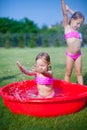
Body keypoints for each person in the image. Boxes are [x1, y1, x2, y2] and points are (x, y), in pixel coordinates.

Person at [61, 0, 84, 84]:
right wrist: (63, 3)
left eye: (80, 24)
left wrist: (69, 9)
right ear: (72, 19)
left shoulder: (77, 28)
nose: (79, 26)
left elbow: (78, 18)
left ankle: (82, 91)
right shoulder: (67, 28)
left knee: (79, 73)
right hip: (70, 55)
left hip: (78, 55)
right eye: (78, 23)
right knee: (68, 73)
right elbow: (64, 14)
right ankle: (66, 91)